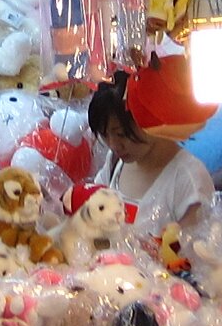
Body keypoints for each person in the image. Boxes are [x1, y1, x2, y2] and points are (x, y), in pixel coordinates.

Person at [88, 76, 214, 229]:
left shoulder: (189, 180)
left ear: (151, 119)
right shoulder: (115, 162)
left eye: (121, 134)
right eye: (104, 135)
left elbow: (194, 241)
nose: (113, 145)